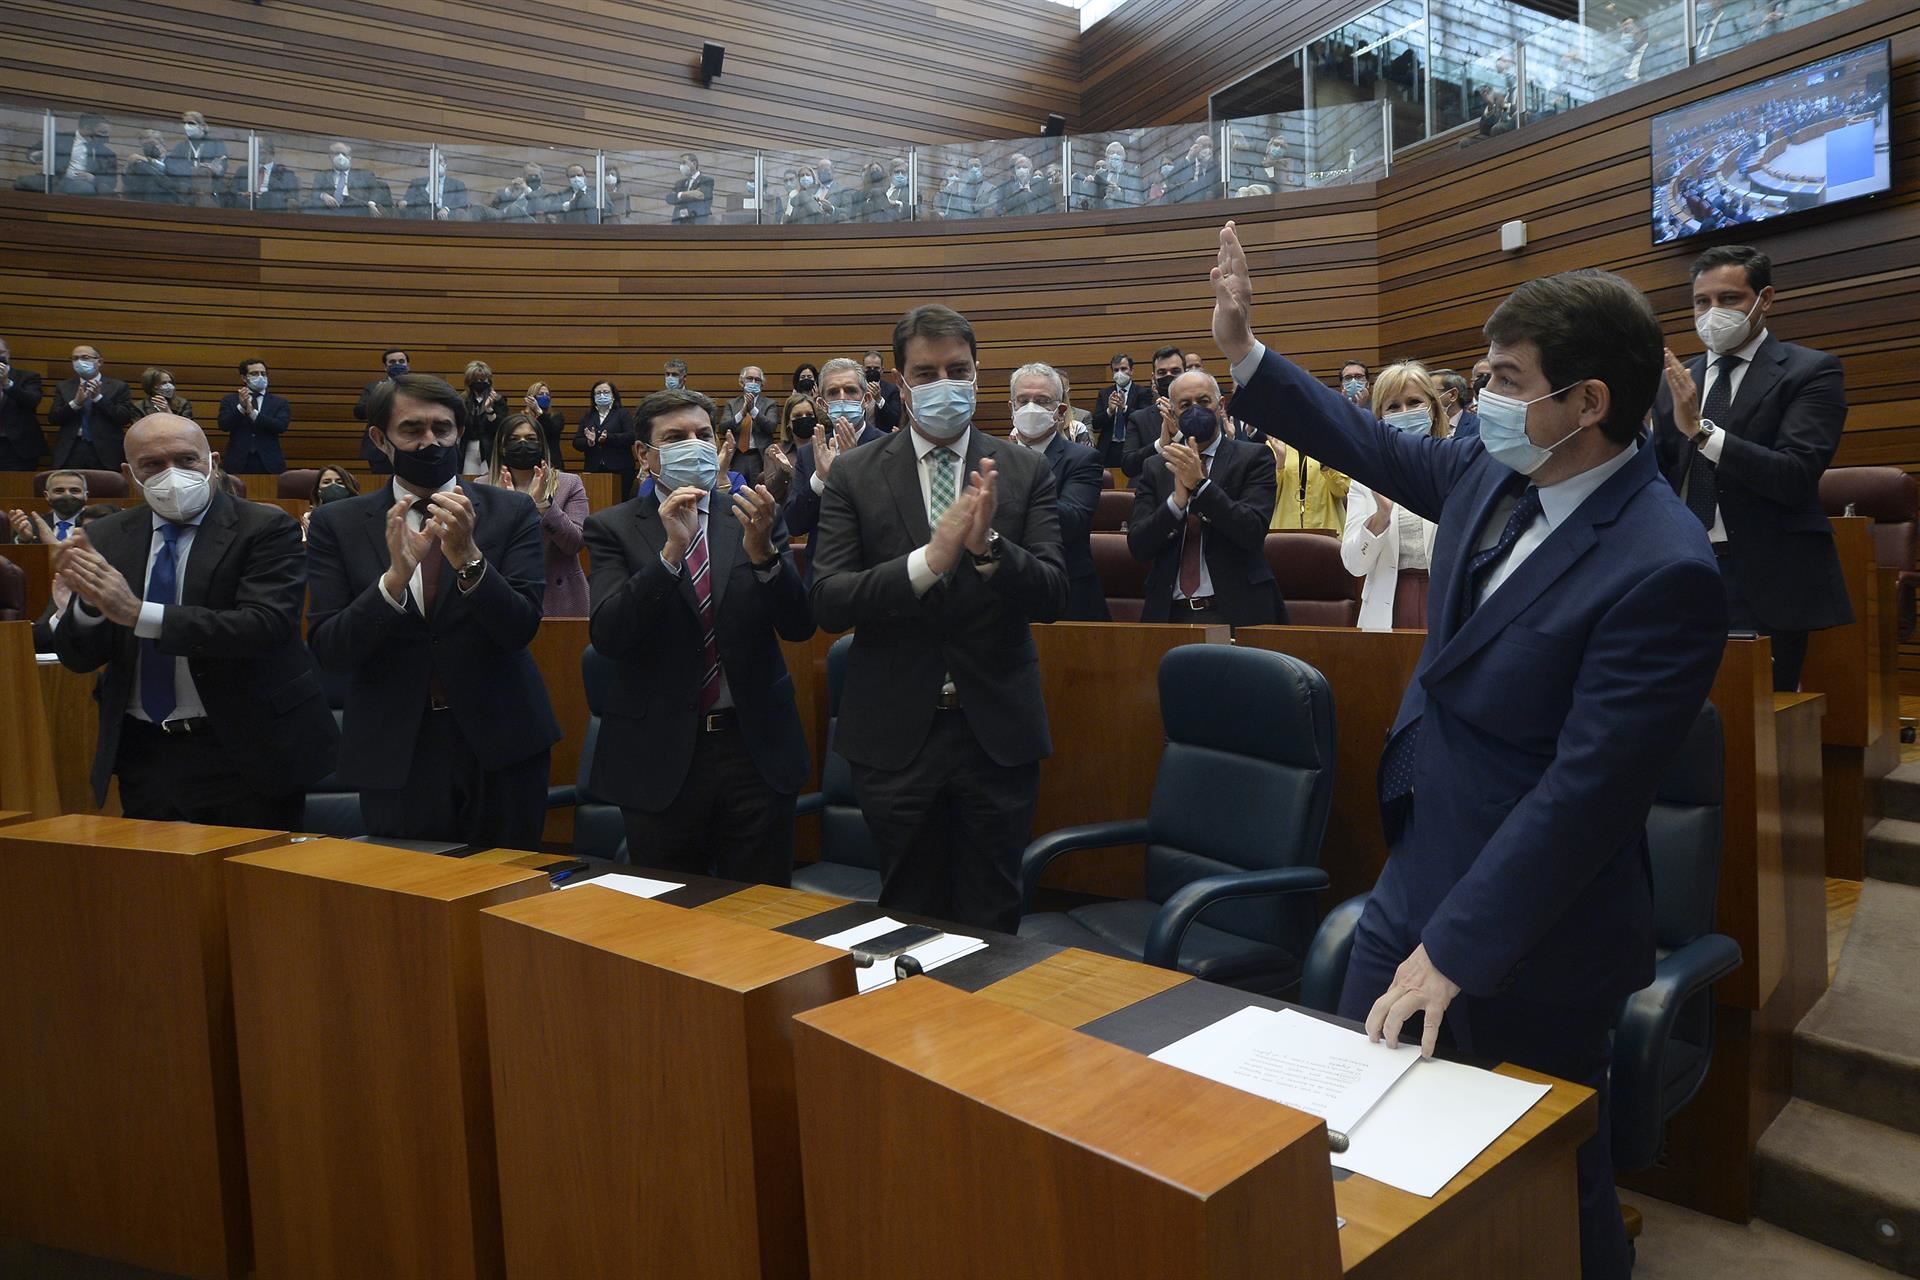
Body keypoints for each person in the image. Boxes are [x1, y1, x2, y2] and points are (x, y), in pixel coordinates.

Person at [1213, 219, 1726, 1280]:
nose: (1480, 397)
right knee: (1363, 1147)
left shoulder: (1664, 566)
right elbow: (1373, 445)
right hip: (1418, 870)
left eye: (1504, 380)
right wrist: (1247, 354)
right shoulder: (1497, 469)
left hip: (1537, 931)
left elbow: (1587, 792)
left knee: (1541, 1182)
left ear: (1588, 402)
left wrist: (1455, 949)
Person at [810, 304, 1068, 931]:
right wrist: (927, 563)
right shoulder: (854, 472)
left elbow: (1054, 595)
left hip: (996, 734)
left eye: (957, 370)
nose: (943, 383)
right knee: (909, 912)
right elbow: (829, 599)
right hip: (895, 735)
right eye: (926, 373)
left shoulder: (1025, 468)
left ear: (978, 375)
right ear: (901, 384)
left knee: (994, 914)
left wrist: (989, 548)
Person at [45, 413, 337, 827]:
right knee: (154, 867)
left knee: (252, 868)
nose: (173, 474)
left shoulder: (266, 527)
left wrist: (137, 613)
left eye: (186, 460)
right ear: (130, 474)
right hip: (145, 754)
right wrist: (92, 607)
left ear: (212, 462)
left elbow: (264, 626)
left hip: (244, 750)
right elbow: (80, 658)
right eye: (153, 464)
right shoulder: (106, 535)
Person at [306, 373, 560, 849]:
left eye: (442, 429)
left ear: (459, 432)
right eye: (412, 430)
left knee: (508, 884)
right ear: (380, 438)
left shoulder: (511, 511)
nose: (430, 442)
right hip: (395, 746)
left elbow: (520, 627)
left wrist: (469, 559)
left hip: (502, 741)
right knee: (410, 889)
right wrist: (392, 582)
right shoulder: (335, 523)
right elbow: (330, 648)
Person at [584, 389, 814, 881]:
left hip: (754, 749)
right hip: (659, 753)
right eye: (675, 438)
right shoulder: (612, 527)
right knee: (669, 911)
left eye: (702, 435)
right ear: (644, 454)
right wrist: (670, 555)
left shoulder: (753, 514)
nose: (694, 445)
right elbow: (609, 634)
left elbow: (799, 626)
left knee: (759, 909)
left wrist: (765, 557)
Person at [1651, 244, 1851, 692]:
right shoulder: (1677, 381)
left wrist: (1701, 432)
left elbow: (1795, 475)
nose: (1712, 313)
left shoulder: (1810, 371)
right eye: (1702, 302)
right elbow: (1659, 475)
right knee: (1683, 706)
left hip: (1763, 574)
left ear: (1765, 299)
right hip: (1681, 566)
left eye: (1729, 299)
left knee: (1758, 713)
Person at [1128, 366, 1282, 627]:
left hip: (1236, 611)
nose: (1195, 410)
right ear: (1173, 413)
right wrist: (1175, 505)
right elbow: (1138, 546)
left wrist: (1201, 486)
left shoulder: (1254, 457)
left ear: (1220, 405)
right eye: (1185, 405)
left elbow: (1252, 530)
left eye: (1203, 401)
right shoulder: (1155, 467)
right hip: (1169, 613)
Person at [1343, 363, 1450, 630]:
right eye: (1393, 406)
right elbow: (1354, 565)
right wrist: (1381, 517)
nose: (1404, 413)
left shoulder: (1454, 464)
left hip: (1448, 601)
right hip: (1387, 607)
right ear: (1380, 417)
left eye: (1414, 402)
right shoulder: (1366, 475)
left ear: (1433, 409)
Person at [1010, 362, 1108, 621]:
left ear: (1060, 410)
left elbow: (1072, 521)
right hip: (1007, 594)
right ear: (1012, 408)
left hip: (1067, 596)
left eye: (1042, 401)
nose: (1031, 408)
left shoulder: (1083, 459)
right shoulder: (993, 458)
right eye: (1023, 401)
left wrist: (1015, 487)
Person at [487, 413, 589, 617]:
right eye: (514, 439)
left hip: (560, 597)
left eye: (530, 439)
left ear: (542, 445)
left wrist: (544, 505)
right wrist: (507, 507)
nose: (522, 444)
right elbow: (482, 550)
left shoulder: (569, 484)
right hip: (503, 595)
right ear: (502, 446)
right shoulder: (483, 487)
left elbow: (575, 543)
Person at [50, 343, 135, 471]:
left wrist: (99, 398)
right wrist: (76, 403)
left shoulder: (118, 386)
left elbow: (124, 418)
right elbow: (54, 418)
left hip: (106, 451)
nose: (79, 362)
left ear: (99, 362)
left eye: (85, 357)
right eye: (75, 358)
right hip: (72, 449)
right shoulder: (64, 386)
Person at [1119, 346, 1190, 478]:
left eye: (1175, 371)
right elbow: (1128, 466)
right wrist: (1160, 444)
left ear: (1185, 373)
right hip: (1151, 486)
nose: (1169, 376)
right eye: (1162, 372)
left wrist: (1178, 436)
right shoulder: (1139, 418)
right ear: (1153, 378)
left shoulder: (1200, 413)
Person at [218, 358, 291, 474]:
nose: (260, 377)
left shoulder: (279, 402)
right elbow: (224, 425)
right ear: (244, 378)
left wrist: (253, 414)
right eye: (254, 374)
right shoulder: (230, 400)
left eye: (263, 374)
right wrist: (241, 408)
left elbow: (280, 426)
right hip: (237, 462)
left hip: (269, 462)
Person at [1265, 436, 1350, 534]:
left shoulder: (1332, 444)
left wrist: (1327, 465)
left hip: (1327, 529)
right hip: (1284, 531)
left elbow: (1342, 491)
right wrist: (1280, 460)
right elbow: (1268, 497)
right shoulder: (1274, 443)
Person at [574, 379, 637, 498]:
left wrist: (609, 438)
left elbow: (631, 436)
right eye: (598, 393)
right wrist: (589, 442)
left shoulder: (622, 414)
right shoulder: (588, 416)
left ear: (613, 395)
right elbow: (577, 442)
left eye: (606, 392)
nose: (602, 395)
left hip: (620, 468)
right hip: (594, 468)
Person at [719, 365, 782, 483]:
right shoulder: (731, 404)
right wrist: (741, 414)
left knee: (758, 489)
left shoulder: (770, 404)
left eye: (757, 380)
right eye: (749, 378)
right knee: (737, 488)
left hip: (759, 456)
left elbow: (771, 427)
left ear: (762, 385)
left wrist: (753, 410)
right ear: (741, 382)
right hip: (737, 456)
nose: (753, 382)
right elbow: (723, 428)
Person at [353, 347, 411, 474]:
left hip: (411, 444)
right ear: (385, 367)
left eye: (401, 361)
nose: (397, 364)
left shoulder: (418, 388)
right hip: (380, 447)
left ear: (408, 365)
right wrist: (378, 395)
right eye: (392, 362)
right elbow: (359, 413)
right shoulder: (374, 387)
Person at [1091, 352, 1152, 470]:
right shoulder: (1105, 393)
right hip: (1109, 448)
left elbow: (1144, 420)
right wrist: (1109, 411)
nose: (1120, 373)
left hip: (1133, 446)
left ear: (1131, 371)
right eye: (1116, 370)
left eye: (1123, 369)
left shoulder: (1142, 392)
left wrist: (1124, 408)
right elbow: (1095, 423)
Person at [0, 338, 46, 470]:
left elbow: (32, 401)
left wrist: (6, 383)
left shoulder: (27, 377)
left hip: (17, 448)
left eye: (0, 352)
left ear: (8, 354)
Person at [8, 470, 89, 544]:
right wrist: (24, 540)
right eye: (59, 491)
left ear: (86, 496)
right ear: (47, 496)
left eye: (74, 491)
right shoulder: (30, 525)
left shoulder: (95, 525)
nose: (67, 495)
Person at [308, 141, 389, 215]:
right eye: (336, 153)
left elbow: (377, 190)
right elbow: (314, 193)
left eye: (344, 153)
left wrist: (371, 203)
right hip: (329, 211)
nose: (340, 156)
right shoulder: (322, 175)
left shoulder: (364, 175)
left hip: (357, 210)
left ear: (349, 157)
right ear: (330, 156)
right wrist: (323, 195)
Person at [165, 111, 229, 203]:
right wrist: (193, 169)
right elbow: (170, 165)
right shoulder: (182, 146)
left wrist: (215, 169)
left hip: (210, 191)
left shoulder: (215, 143)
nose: (187, 126)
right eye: (184, 123)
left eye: (191, 123)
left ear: (202, 126)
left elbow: (221, 166)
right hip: (188, 193)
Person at [460, 361, 509, 472]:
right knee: (468, 476)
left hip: (490, 449)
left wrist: (489, 411)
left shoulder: (498, 400)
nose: (479, 383)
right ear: (469, 381)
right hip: (469, 448)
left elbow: (502, 427)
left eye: (482, 380)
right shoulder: (463, 401)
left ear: (489, 380)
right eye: (475, 380)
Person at [123, 131, 186, 204]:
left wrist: (150, 161)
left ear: (163, 144)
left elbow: (175, 185)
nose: (149, 148)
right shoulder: (139, 165)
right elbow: (129, 184)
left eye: (152, 144)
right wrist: (128, 166)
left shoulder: (175, 162)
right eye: (145, 145)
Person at [301, 465, 358, 539]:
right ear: (318, 490)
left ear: (349, 489)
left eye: (340, 482)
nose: (333, 485)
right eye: (326, 482)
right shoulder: (309, 517)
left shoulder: (360, 516)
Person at [993, 153, 1056, 217]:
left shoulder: (1041, 183)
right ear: (1015, 170)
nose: (1021, 170)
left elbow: (1050, 205)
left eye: (1025, 167)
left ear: (1030, 169)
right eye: (1018, 167)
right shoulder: (1007, 188)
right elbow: (1000, 208)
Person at [249, 137, 301, 212]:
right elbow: (234, 198)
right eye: (256, 150)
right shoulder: (243, 172)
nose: (259, 154)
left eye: (262, 151)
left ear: (272, 153)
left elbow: (293, 205)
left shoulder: (286, 175)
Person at [520, 381, 567, 465]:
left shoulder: (556, 417)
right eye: (541, 394)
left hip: (550, 461)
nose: (545, 397)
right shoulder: (522, 418)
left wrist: (539, 411)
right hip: (528, 460)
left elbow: (552, 430)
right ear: (532, 397)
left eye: (547, 395)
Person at [861, 349, 904, 432]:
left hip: (883, 435)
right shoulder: (856, 388)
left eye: (876, 368)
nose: (872, 371)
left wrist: (879, 399)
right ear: (863, 369)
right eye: (868, 368)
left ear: (882, 370)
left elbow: (895, 419)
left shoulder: (892, 390)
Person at [667, 153, 715, 224]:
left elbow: (700, 195)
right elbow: (669, 198)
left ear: (694, 163)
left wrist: (679, 195)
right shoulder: (680, 183)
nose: (681, 166)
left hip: (698, 222)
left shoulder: (706, 180)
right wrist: (688, 194)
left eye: (684, 163)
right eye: (680, 164)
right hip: (680, 223)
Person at [1434, 368, 1481, 440]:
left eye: (1432, 392)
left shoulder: (1478, 426)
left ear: (1453, 395)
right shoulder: (1425, 426)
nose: (1426, 398)